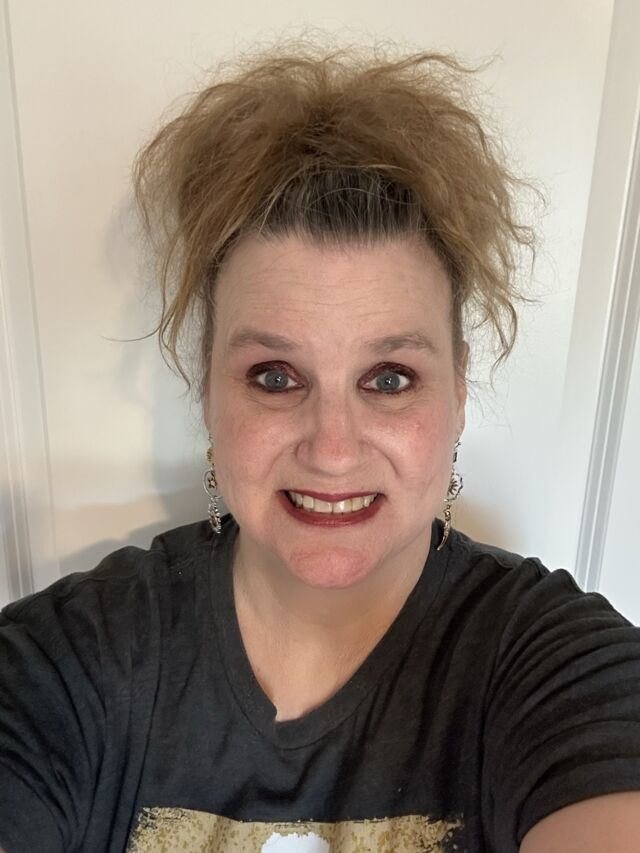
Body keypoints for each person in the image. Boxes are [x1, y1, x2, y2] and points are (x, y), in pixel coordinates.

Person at [1, 42, 639, 853]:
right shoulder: (68, 664)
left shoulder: (551, 666)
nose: (333, 450)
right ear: (207, 390)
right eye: (274, 376)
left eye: (389, 378)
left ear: (458, 390)